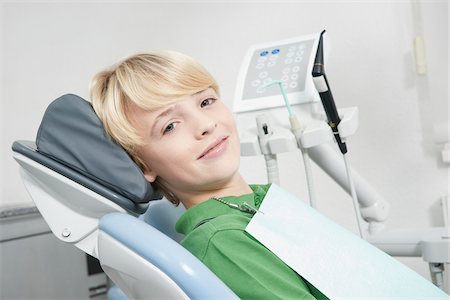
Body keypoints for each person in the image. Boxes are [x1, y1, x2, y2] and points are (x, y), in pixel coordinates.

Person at [90, 50, 327, 300]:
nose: (205, 125)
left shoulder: (259, 200)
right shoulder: (222, 242)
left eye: (205, 102)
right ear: (143, 165)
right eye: (169, 127)